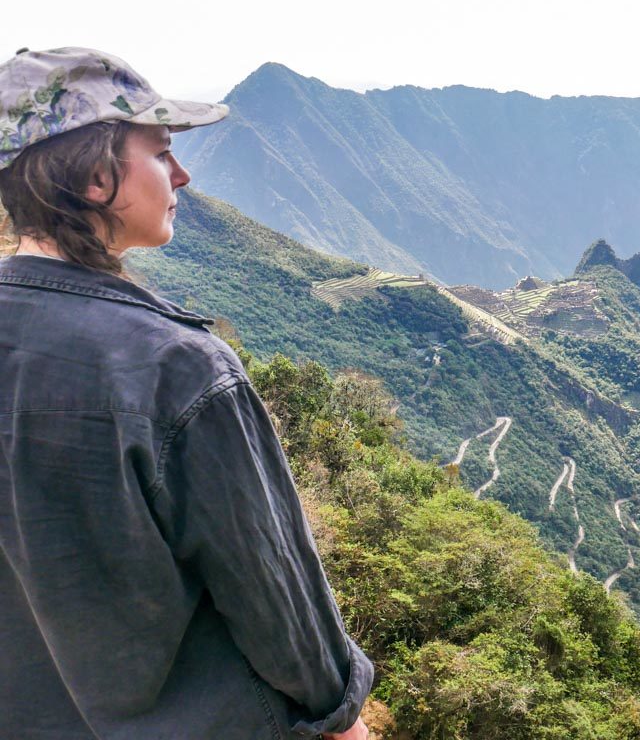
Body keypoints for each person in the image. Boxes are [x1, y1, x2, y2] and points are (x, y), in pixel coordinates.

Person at [0, 47, 372, 740]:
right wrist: (340, 715)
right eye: (162, 153)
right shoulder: (178, 368)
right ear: (95, 175)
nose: (183, 174)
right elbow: (276, 597)